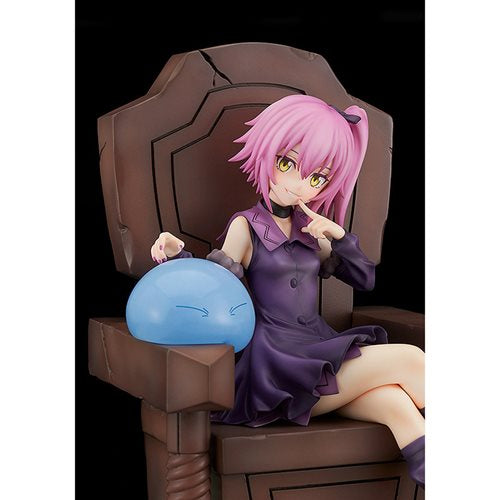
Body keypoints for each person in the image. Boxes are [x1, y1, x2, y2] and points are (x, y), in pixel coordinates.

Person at [150, 95, 425, 488]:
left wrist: (338, 236)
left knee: (397, 404)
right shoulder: (246, 226)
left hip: (316, 347)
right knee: (412, 360)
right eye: (287, 164)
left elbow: (364, 280)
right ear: (269, 157)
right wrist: (178, 255)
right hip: (277, 363)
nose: (300, 184)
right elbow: (213, 287)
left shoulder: (311, 229)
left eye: (317, 178)